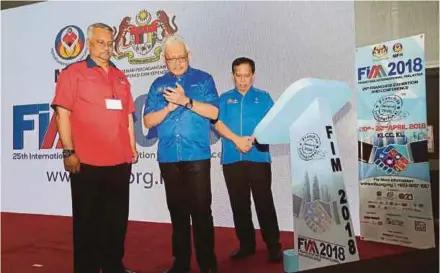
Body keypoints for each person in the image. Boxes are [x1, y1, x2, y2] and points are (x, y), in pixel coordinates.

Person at [51, 23, 138, 273]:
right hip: (86, 162)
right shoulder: (73, 73)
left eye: (110, 43)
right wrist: (68, 152)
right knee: (87, 222)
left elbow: (128, 116)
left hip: (120, 161)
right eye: (101, 42)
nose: (106, 48)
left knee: (116, 221)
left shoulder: (120, 76)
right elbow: (62, 113)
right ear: (88, 44)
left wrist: (132, 146)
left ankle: (113, 266)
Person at [143, 34, 219, 273]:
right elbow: (147, 120)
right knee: (177, 212)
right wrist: (168, 107)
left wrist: (186, 101)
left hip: (196, 155)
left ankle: (207, 263)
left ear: (189, 55)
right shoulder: (157, 85)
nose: (177, 62)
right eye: (172, 58)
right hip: (168, 157)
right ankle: (181, 262)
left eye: (181, 57)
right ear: (165, 59)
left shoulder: (203, 79)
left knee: (201, 211)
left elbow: (214, 112)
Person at [214, 57, 282, 263]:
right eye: (238, 76)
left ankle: (273, 246)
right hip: (232, 159)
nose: (243, 80)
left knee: (264, 203)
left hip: (258, 157)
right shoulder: (224, 99)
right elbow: (217, 124)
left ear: (253, 75)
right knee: (239, 204)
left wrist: (255, 138)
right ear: (233, 75)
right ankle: (246, 245)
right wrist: (236, 140)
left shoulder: (264, 97)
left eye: (246, 76)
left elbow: (274, 124)